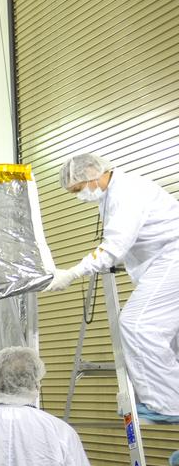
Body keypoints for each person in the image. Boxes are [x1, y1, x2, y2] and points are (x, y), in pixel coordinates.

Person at [46, 153, 179, 428]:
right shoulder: (110, 197)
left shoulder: (127, 193)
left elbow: (114, 247)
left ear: (92, 174)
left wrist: (73, 272)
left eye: (78, 189)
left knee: (137, 324)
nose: (79, 196)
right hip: (162, 264)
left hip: (172, 259)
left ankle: (168, 404)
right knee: (171, 343)